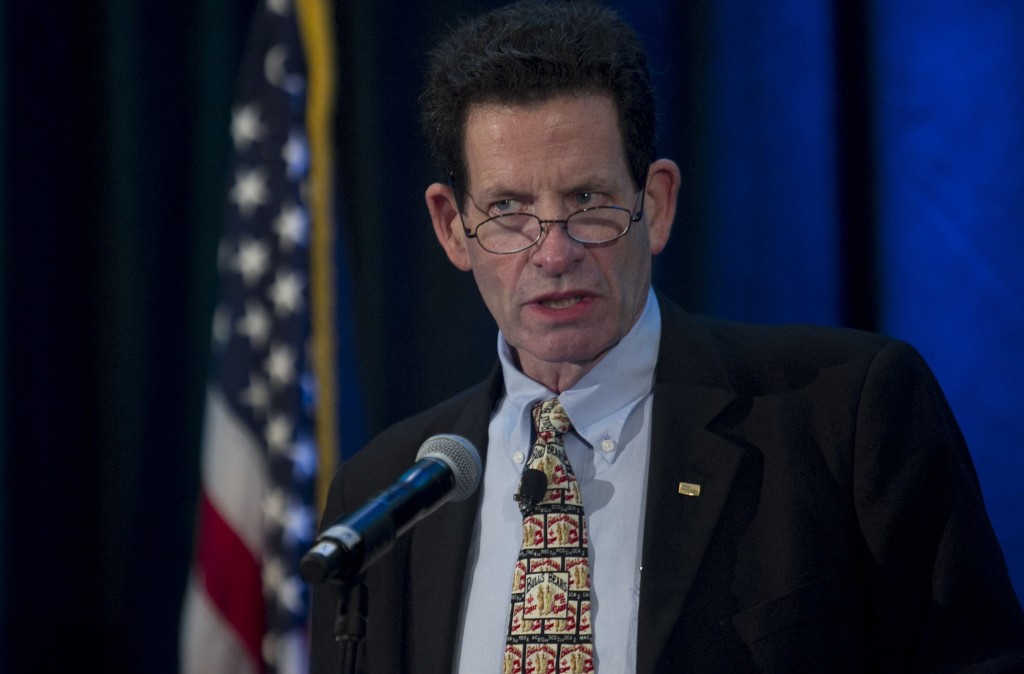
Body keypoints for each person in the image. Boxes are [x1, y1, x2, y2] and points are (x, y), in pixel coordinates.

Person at [310, 1, 1024, 672]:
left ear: (655, 205)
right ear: (450, 227)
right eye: (508, 209)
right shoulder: (384, 498)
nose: (553, 254)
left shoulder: (845, 415)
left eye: (587, 202)